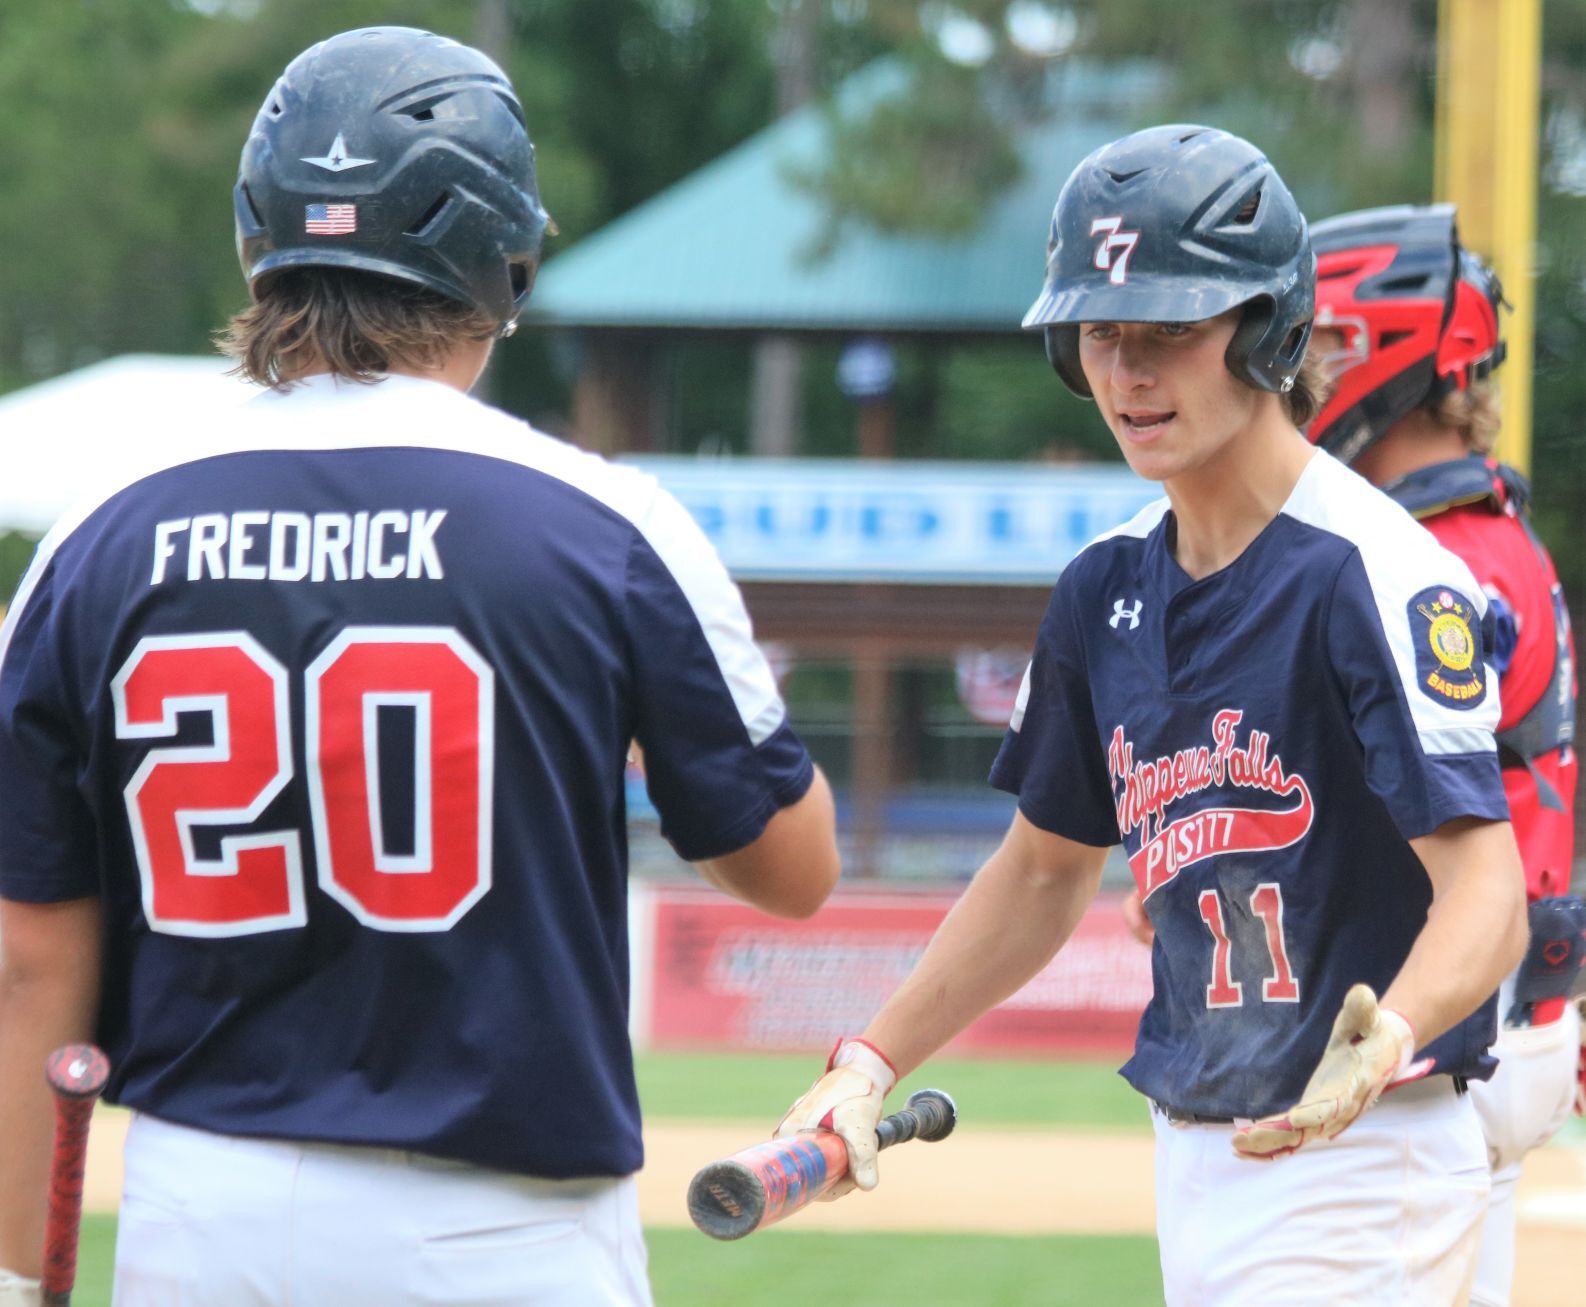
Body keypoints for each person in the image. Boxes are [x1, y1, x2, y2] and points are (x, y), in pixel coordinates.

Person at [0, 27, 839, 1307]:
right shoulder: (602, 523)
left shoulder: (99, 530)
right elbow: (789, 868)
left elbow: (26, 960)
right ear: (503, 252)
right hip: (500, 1220)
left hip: (199, 1204)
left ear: (260, 235)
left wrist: (15, 1274)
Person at [772, 125, 1528, 1305]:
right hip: (1200, 1148)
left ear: (1272, 329)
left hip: (1361, 1152)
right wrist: (871, 1056)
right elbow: (1038, 873)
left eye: (1170, 331)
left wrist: (1391, 1035)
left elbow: (1488, 884)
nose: (1127, 372)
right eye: (1100, 332)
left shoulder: (1369, 568)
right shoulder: (1102, 585)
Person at [1307, 204, 1585, 1307]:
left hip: (1452, 1018)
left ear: (1384, 354)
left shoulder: (1433, 557)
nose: (1294, 364)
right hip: (1513, 1010)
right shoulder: (1484, 532)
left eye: (1319, 339)